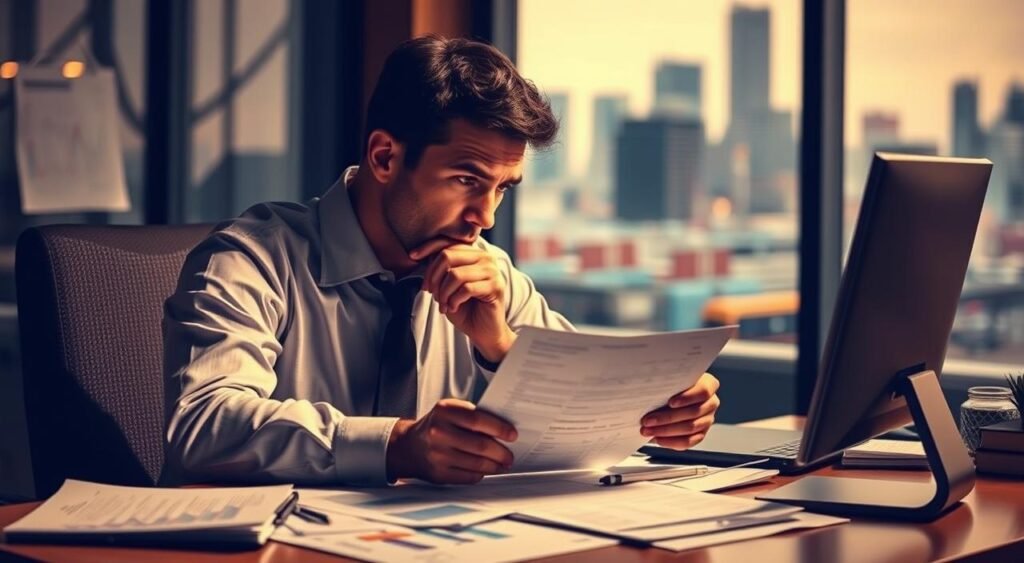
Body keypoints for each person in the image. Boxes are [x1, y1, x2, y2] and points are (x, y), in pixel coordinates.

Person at [162, 35, 720, 487]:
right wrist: (397, 446)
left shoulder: (490, 273)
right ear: (385, 157)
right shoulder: (251, 259)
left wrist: (656, 404)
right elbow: (203, 424)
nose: (486, 216)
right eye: (466, 180)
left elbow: (580, 417)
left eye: (503, 188)